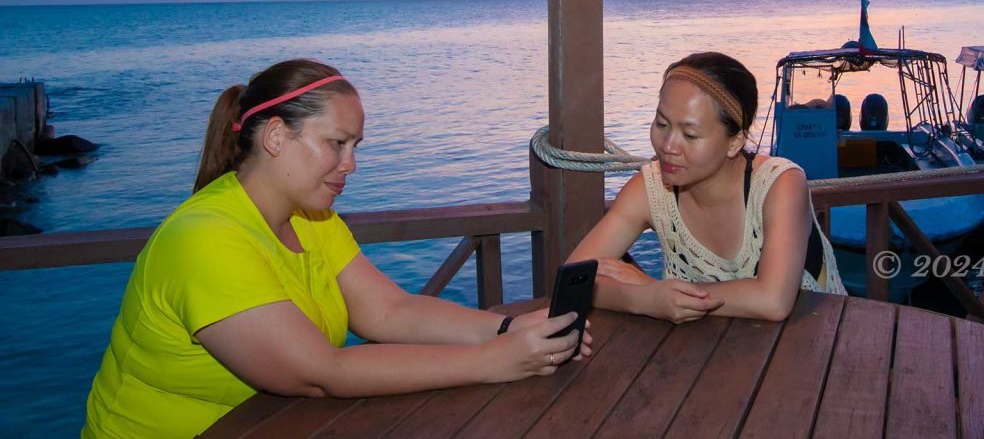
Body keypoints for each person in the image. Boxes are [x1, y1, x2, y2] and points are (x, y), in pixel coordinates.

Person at [83, 59, 589, 439]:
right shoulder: (204, 238)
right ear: (277, 137)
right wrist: (493, 361)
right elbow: (322, 374)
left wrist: (506, 329)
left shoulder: (311, 216)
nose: (351, 165)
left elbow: (391, 311)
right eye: (337, 144)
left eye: (356, 147)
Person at [567, 52, 845, 325]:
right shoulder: (649, 188)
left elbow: (773, 300)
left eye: (690, 135)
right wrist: (644, 298)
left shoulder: (779, 185)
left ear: (735, 142)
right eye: (661, 123)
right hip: (708, 359)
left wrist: (659, 295)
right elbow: (572, 278)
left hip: (817, 348)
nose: (667, 146)